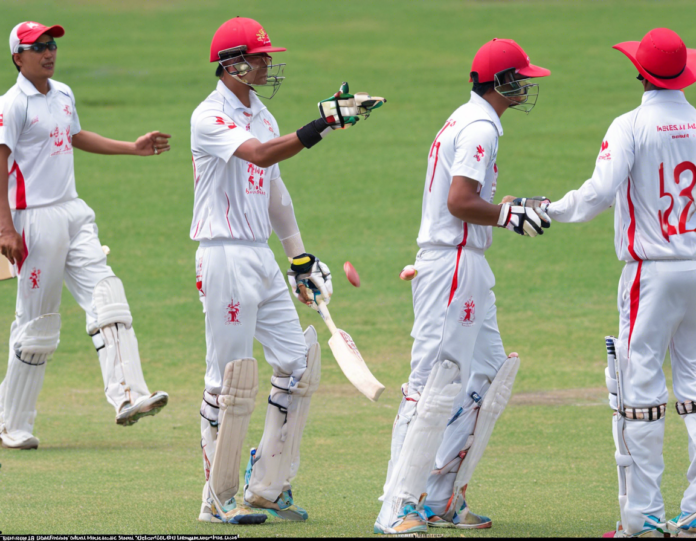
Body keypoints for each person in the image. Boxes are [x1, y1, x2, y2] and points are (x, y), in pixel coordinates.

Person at [191, 17, 385, 525]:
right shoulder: (208, 116)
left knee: (298, 365)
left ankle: (267, 487)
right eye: (259, 56)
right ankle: (217, 495)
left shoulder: (263, 113)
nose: (267, 63)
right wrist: (321, 124)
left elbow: (274, 190)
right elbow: (258, 156)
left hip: (259, 255)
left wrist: (298, 257)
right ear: (232, 63)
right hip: (224, 253)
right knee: (230, 380)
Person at [374, 38, 551, 535]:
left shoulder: (472, 119)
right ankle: (396, 505)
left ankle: (438, 495)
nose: (527, 85)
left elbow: (469, 198)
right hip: (451, 263)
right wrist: (506, 215)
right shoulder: (479, 127)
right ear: (501, 83)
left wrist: (508, 205)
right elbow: (459, 200)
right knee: (430, 385)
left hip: (466, 262)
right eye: (521, 77)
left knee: (489, 374)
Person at [538, 28, 696, 538]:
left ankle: (645, 518)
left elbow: (598, 194)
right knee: (695, 392)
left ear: (640, 72)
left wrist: (547, 209)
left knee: (640, 392)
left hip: (650, 273)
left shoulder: (629, 125)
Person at [0, 21, 171, 450]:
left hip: (74, 210)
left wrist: (132, 148)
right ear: (18, 57)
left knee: (107, 295)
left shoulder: (63, 94)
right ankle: (12, 424)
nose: (49, 52)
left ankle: (129, 396)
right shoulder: (11, 105)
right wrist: (4, 226)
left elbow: (75, 137)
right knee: (37, 327)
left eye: (52, 44)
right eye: (38, 47)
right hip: (33, 219)